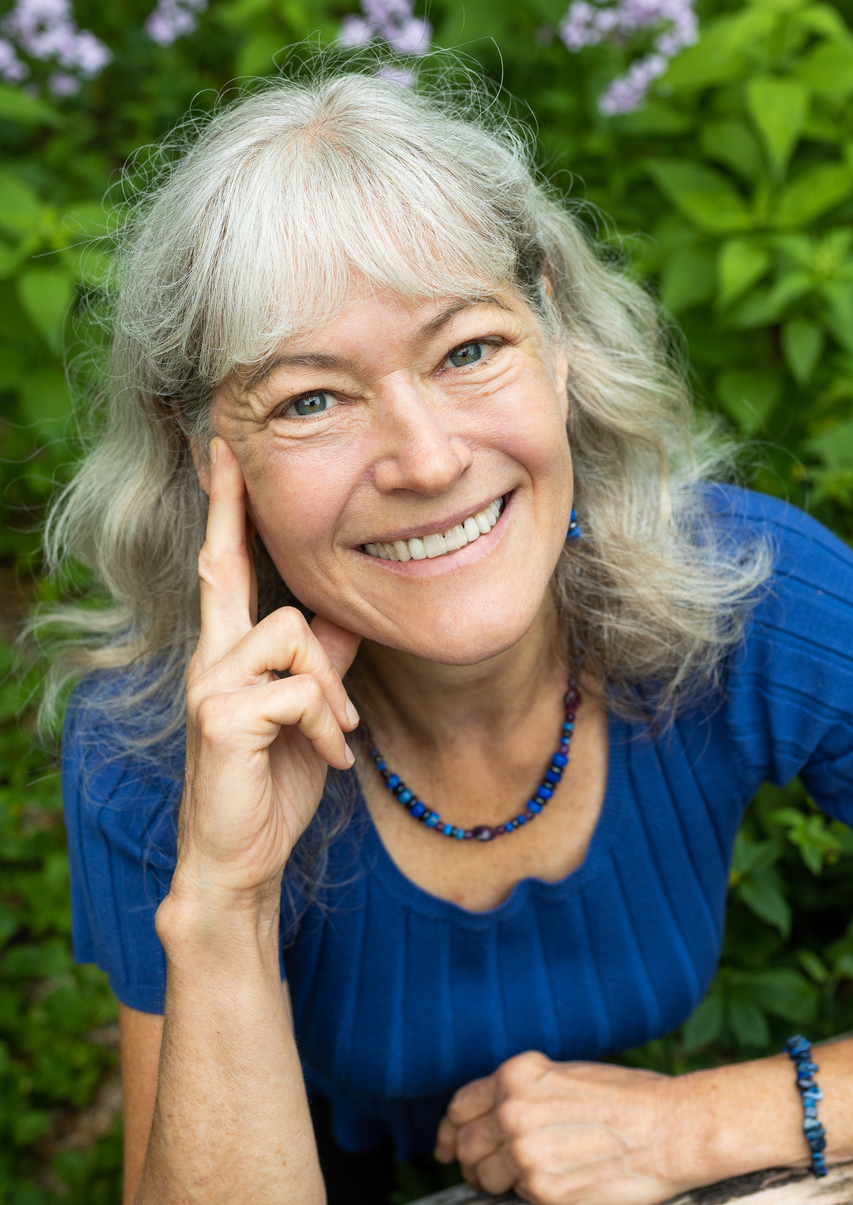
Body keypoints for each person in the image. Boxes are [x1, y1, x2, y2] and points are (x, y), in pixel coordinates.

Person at [44, 65, 853, 1205]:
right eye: (310, 400)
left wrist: (702, 1119)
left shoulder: (747, 590)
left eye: (468, 348)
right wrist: (225, 894)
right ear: (205, 453)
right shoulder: (154, 741)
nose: (426, 460)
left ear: (555, 339)